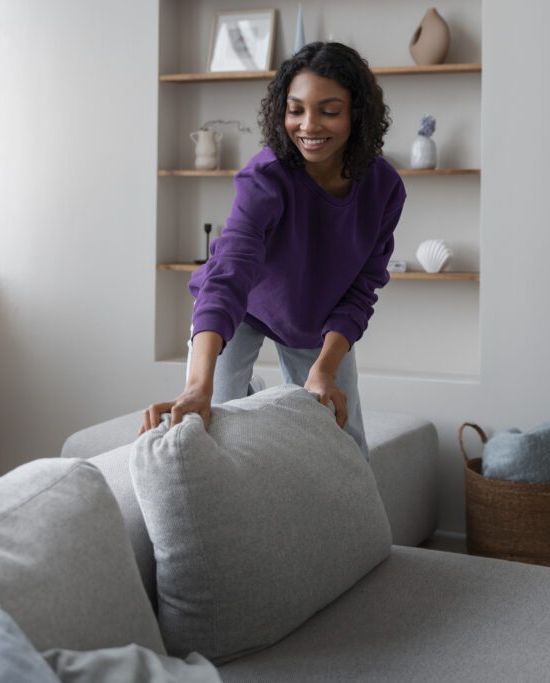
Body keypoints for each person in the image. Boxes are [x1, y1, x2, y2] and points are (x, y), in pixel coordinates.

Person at [139, 42, 406, 459]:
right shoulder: (265, 177)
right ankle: (245, 393)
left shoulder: (383, 188)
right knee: (214, 421)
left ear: (356, 114)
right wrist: (196, 387)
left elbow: (361, 289)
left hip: (311, 317)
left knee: (345, 443)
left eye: (329, 110)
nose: (308, 125)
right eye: (296, 110)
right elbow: (228, 274)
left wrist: (324, 369)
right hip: (240, 305)